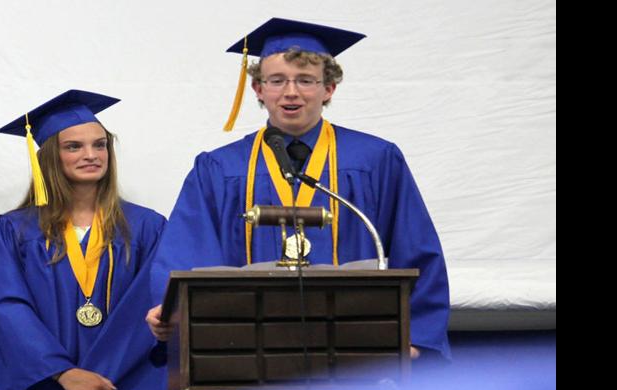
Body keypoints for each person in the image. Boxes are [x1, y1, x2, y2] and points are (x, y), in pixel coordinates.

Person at [146, 18, 450, 363]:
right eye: (276, 81)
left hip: (356, 349)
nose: (291, 92)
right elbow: (186, 253)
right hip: (246, 352)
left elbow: (416, 248)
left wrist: (417, 337)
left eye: (306, 80)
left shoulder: (375, 160)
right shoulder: (219, 169)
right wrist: (167, 309)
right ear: (258, 89)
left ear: (329, 88)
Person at [0, 90, 169, 390]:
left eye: (99, 144)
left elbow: (150, 310)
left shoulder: (147, 227)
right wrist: (66, 374)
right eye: (74, 146)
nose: (90, 155)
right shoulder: (16, 230)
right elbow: (9, 309)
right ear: (50, 157)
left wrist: (100, 383)